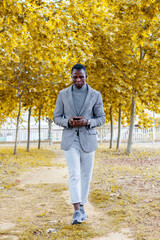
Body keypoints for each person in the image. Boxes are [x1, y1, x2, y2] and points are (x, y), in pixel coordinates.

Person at [53, 63, 105, 224]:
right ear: (71, 77)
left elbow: (101, 118)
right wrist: (67, 121)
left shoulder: (95, 95)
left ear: (86, 77)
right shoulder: (63, 94)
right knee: (74, 174)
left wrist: (88, 121)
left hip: (88, 139)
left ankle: (82, 207)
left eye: (81, 76)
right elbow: (56, 117)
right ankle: (76, 211)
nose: (78, 80)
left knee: (85, 176)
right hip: (70, 140)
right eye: (75, 77)